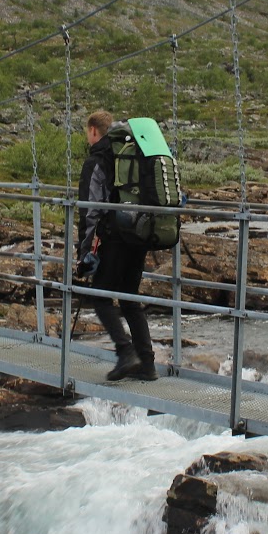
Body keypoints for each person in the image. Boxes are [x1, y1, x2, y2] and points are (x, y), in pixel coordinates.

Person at [77, 109, 157, 382]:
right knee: (129, 297)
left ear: (93, 131)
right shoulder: (134, 153)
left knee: (100, 295)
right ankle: (147, 365)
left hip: (115, 236)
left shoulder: (97, 159)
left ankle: (126, 352)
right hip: (141, 233)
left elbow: (89, 210)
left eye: (87, 133)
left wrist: (83, 253)